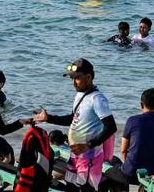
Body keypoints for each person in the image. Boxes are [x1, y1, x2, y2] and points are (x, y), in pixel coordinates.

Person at [34, 58, 116, 192]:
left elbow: (111, 127)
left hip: (89, 158)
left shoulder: (97, 99)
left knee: (86, 188)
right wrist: (48, 118)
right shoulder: (80, 95)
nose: (73, 82)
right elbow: (72, 119)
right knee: (71, 185)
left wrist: (88, 145)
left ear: (88, 77)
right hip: (75, 155)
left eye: (77, 78)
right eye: (72, 78)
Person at [103, 88, 154, 190]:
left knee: (108, 165)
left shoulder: (132, 121)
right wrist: (151, 162)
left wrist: (130, 165)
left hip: (131, 172)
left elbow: (123, 150)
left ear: (141, 104)